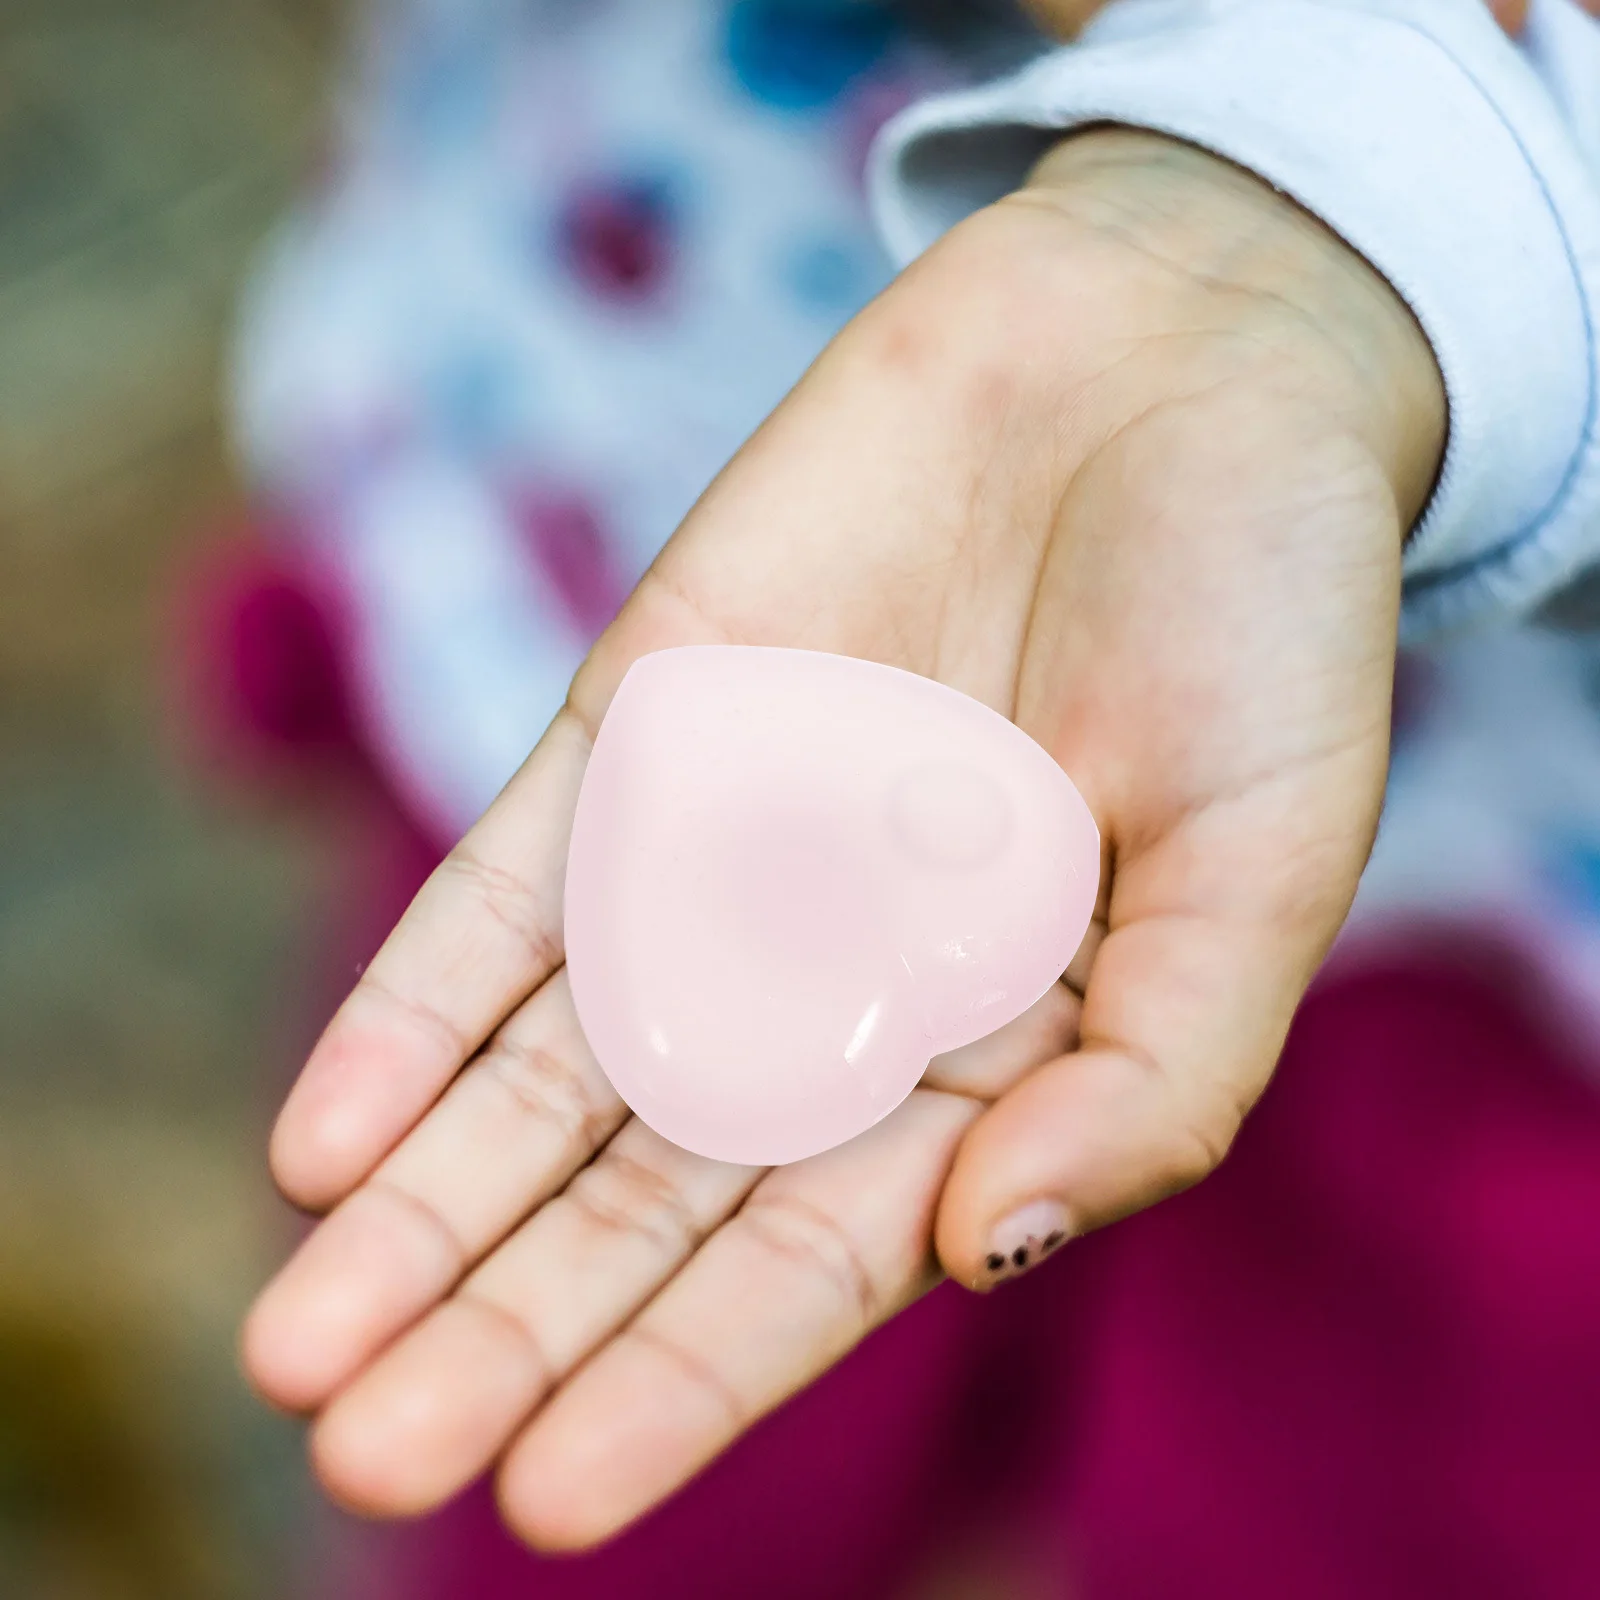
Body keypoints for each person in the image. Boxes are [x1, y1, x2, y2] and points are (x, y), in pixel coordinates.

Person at [237, 1, 1600, 1593]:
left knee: (1365, 1507)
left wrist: (1372, 211)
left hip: (1527, 912)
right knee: (632, 1450)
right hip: (697, 463)